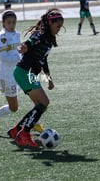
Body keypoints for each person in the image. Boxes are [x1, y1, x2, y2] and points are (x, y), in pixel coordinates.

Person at [8, 8, 64, 148]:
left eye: (60, 27)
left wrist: (49, 79)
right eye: (57, 26)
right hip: (23, 72)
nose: (58, 29)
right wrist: (24, 47)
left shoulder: (49, 40)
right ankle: (24, 133)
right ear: (50, 24)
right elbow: (30, 42)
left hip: (30, 74)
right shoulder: (40, 35)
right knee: (44, 102)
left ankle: (17, 129)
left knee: (41, 106)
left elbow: (43, 61)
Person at [0, 10, 43, 133]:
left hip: (20, 73)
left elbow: (19, 51)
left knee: (36, 98)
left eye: (13, 22)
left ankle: (34, 122)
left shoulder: (17, 35)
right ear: (3, 23)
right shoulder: (2, 37)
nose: (11, 25)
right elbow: (3, 57)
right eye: (9, 23)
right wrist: (19, 58)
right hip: (7, 76)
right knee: (14, 108)